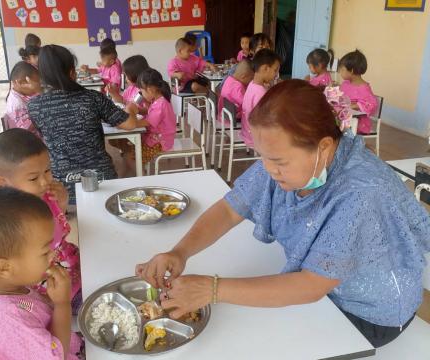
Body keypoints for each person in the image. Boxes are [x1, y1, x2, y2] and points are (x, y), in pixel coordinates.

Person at [136, 79, 430, 349]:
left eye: (278, 161)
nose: (267, 169)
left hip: (369, 314)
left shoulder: (361, 193)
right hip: (327, 294)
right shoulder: (288, 159)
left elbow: (311, 285)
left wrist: (211, 289)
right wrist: (180, 252)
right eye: (262, 157)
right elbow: (229, 209)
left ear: (324, 147)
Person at [0, 187, 82, 359]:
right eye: (44, 252)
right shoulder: (6, 320)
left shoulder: (10, 284)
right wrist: (62, 304)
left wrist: (51, 300)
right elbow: (56, 355)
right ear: (4, 268)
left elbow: (35, 312)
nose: (53, 254)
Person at [28, 45, 137, 203]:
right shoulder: (92, 98)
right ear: (72, 72)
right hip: (101, 180)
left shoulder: (34, 106)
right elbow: (130, 124)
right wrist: (131, 108)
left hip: (61, 186)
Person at [0, 128, 82, 313]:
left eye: (47, 170)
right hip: (50, 288)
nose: (44, 182)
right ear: (3, 182)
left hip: (71, 264)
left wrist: (61, 204)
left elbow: (58, 230)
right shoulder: (9, 220)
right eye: (33, 178)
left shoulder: (44, 195)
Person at [135, 68, 176, 164]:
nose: (142, 94)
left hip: (161, 142)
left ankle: (141, 173)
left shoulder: (160, 104)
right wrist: (144, 104)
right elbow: (151, 112)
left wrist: (129, 122)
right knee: (131, 146)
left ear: (149, 90)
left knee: (134, 156)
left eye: (142, 92)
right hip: (157, 137)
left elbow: (147, 122)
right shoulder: (158, 99)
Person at [241, 49, 281, 148]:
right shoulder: (260, 92)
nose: (276, 74)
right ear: (265, 69)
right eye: (275, 70)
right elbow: (266, 119)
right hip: (256, 137)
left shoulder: (252, 84)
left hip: (247, 131)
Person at [338, 50, 378, 135]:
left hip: (358, 123)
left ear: (351, 70)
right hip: (344, 118)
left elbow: (372, 104)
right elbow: (340, 96)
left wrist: (355, 106)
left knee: (335, 127)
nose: (339, 72)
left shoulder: (364, 88)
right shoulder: (346, 84)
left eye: (341, 69)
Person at [4, 61, 41, 137]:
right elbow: (25, 129)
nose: (37, 87)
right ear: (20, 83)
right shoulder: (16, 104)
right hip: (30, 141)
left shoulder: (23, 93)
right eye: (35, 83)